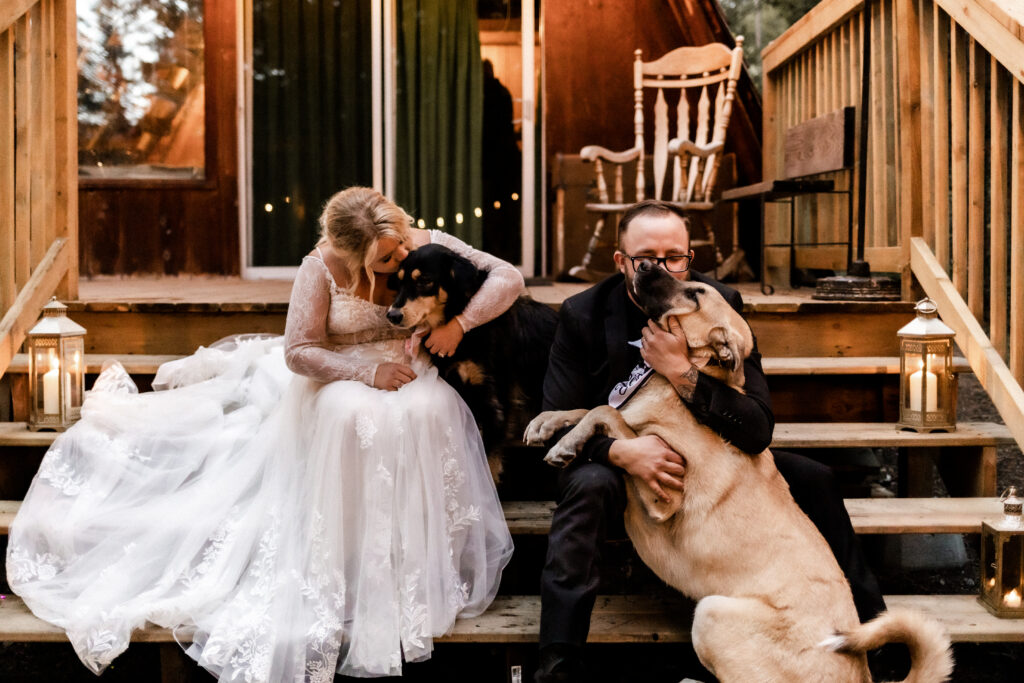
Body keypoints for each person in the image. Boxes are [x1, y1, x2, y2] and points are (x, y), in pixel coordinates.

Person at [7, 187, 519, 681]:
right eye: (386, 258)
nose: (402, 256)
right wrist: (365, 374)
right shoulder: (320, 268)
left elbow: (509, 278)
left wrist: (460, 325)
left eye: (402, 243)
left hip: (413, 366)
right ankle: (344, 568)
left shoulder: (423, 242)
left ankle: (417, 564)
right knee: (351, 416)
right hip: (340, 372)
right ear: (356, 257)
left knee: (432, 409)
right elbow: (297, 351)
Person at [534, 199, 886, 683]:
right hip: (617, 453)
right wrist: (623, 452)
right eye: (646, 258)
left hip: (708, 449)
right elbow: (555, 412)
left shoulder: (713, 302)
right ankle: (559, 655)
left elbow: (758, 427)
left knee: (815, 477)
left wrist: (681, 372)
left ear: (689, 257)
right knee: (588, 487)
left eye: (674, 256)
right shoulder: (583, 313)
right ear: (621, 262)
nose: (661, 268)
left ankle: (870, 637)